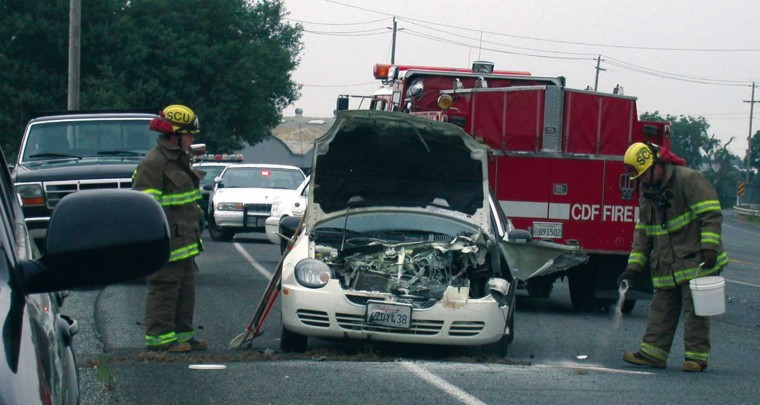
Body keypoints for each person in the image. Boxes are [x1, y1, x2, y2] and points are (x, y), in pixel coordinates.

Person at [618, 142, 728, 372]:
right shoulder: (647, 190)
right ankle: (652, 354)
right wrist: (633, 268)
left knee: (696, 310)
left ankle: (696, 358)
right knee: (661, 309)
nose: (642, 181)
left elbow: (711, 215)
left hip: (696, 260)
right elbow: (643, 231)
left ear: (657, 164)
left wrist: (709, 248)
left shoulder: (689, 179)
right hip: (667, 264)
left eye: (644, 174)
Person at [133, 104, 207, 352]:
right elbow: (145, 208)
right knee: (164, 288)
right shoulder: (154, 164)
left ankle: (184, 335)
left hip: (185, 240)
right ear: (174, 135)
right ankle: (160, 338)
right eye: (189, 135)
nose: (192, 140)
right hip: (166, 242)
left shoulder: (180, 160)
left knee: (185, 290)